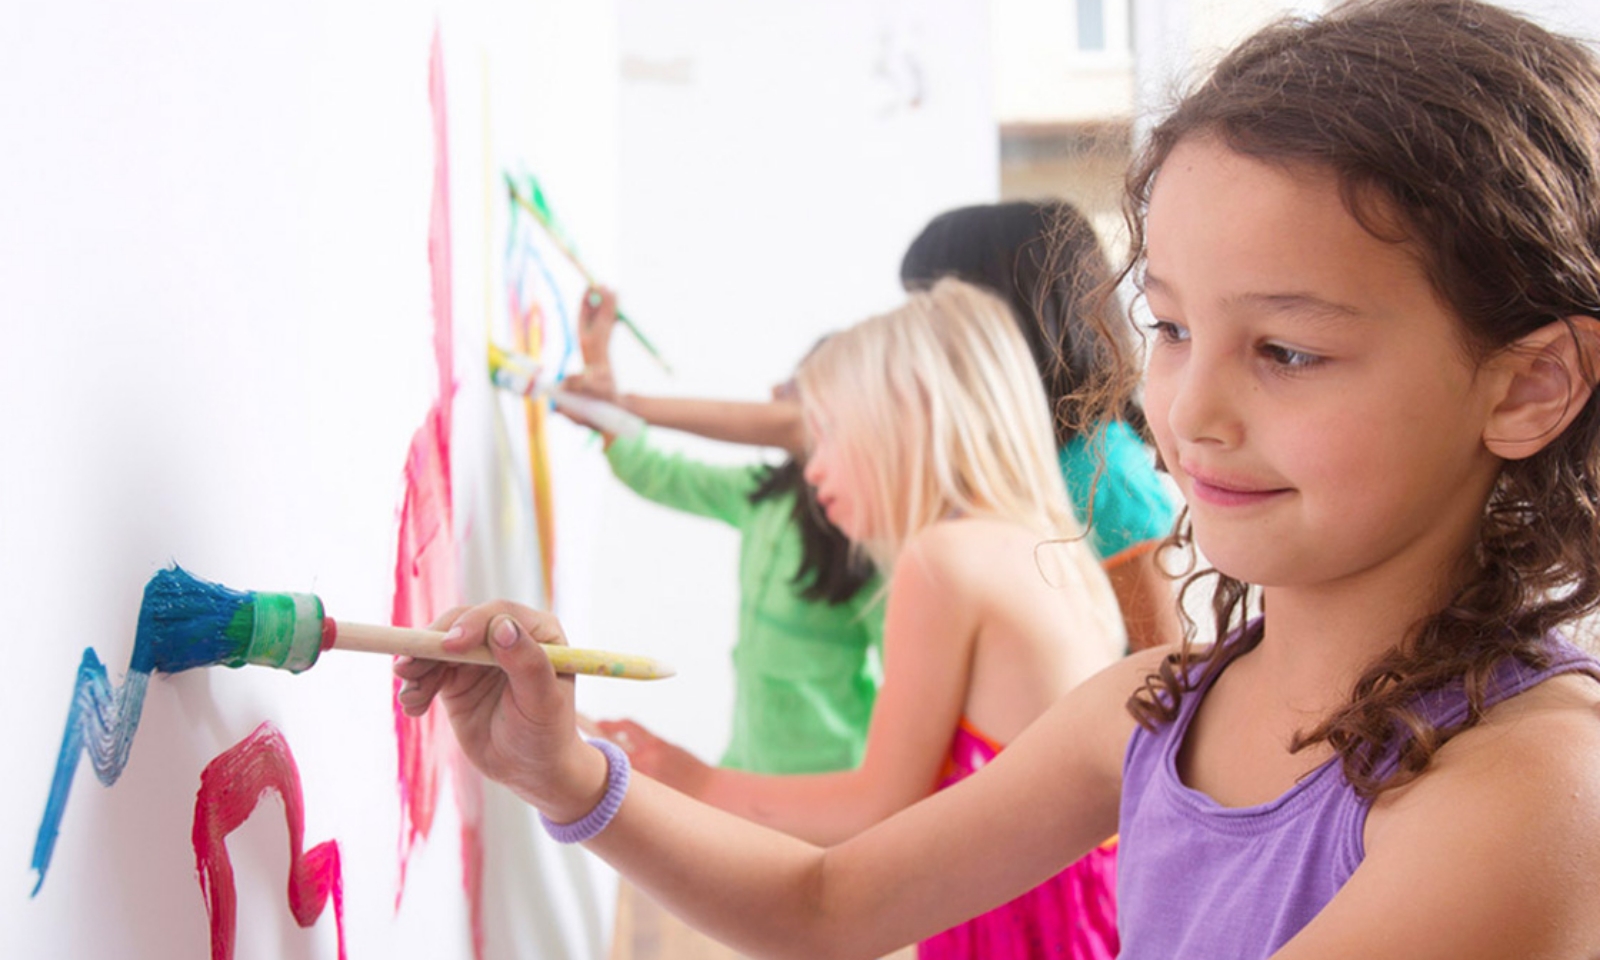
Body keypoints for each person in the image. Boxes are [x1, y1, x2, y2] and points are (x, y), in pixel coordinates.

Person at [395, 1, 1600, 956]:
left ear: (1526, 388)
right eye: (1171, 329)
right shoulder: (1156, 707)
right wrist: (563, 773)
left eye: (1285, 350)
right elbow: (828, 906)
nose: (1188, 411)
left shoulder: (1533, 789)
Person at [599, 278, 1126, 958]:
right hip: (1082, 911)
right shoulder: (1042, 545)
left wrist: (692, 781)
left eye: (828, 436)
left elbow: (877, 807)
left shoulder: (944, 560)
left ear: (907, 420)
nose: (812, 471)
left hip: (1019, 928)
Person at [562, 287, 884, 777]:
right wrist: (598, 366)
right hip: (744, 769)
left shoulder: (876, 544)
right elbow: (652, 470)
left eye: (796, 389)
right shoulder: (765, 496)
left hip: (830, 786)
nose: (775, 393)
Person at [900, 200, 1182, 651]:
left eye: (932, 316)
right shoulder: (1008, 462)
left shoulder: (1102, 477)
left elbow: (1162, 668)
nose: (913, 341)